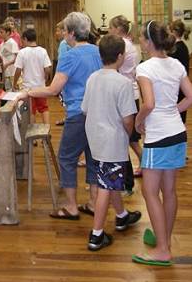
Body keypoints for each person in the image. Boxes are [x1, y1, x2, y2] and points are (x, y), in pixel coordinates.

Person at [17, 12, 102, 219]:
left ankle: (71, 207)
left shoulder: (69, 56)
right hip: (98, 113)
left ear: (72, 33)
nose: (62, 33)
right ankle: (93, 202)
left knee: (66, 158)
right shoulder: (98, 51)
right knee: (93, 157)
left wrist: (27, 92)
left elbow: (53, 89)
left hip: (78, 113)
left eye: (64, 30)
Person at [133, 20, 192, 266]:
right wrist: (172, 111)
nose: (140, 41)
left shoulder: (145, 68)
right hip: (177, 133)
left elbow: (148, 104)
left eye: (141, 38)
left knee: (150, 191)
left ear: (149, 42)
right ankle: (165, 241)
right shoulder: (177, 64)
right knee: (169, 191)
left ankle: (162, 249)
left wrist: (139, 122)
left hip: (158, 137)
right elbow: (191, 97)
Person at [82, 34, 141, 251]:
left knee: (109, 178)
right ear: (120, 56)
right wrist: (130, 134)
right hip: (112, 141)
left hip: (95, 139)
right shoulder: (124, 83)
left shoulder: (92, 78)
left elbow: (85, 109)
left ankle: (122, 216)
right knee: (106, 185)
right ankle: (96, 234)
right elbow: (128, 119)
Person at [109, 15, 143, 179]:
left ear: (118, 29)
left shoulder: (123, 46)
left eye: (111, 28)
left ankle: (130, 172)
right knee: (132, 138)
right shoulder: (129, 44)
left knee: (129, 137)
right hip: (130, 91)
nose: (109, 31)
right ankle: (142, 164)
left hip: (126, 93)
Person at [13, 29, 52, 124]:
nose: (22, 43)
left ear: (25, 39)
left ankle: (32, 135)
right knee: (44, 108)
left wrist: (14, 83)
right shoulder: (43, 51)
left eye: (22, 40)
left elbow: (18, 70)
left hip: (28, 89)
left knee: (31, 111)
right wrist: (46, 77)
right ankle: (47, 131)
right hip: (41, 87)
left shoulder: (22, 52)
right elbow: (47, 68)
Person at [168, 19, 191, 124]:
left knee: (177, 115)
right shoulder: (183, 47)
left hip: (177, 85)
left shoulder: (176, 49)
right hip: (181, 84)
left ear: (173, 32)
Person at [56, 20, 71, 126]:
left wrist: (57, 76)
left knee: (65, 99)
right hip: (72, 74)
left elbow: (62, 61)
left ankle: (68, 119)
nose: (56, 33)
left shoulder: (63, 43)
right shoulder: (70, 43)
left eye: (57, 31)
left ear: (63, 31)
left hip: (65, 75)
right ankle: (67, 118)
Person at [0, 22, 19, 91]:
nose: (0, 34)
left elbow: (17, 57)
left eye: (1, 32)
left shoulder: (12, 43)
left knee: (14, 91)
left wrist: (7, 64)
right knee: (7, 90)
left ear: (7, 33)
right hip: (5, 72)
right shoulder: (1, 44)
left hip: (12, 72)